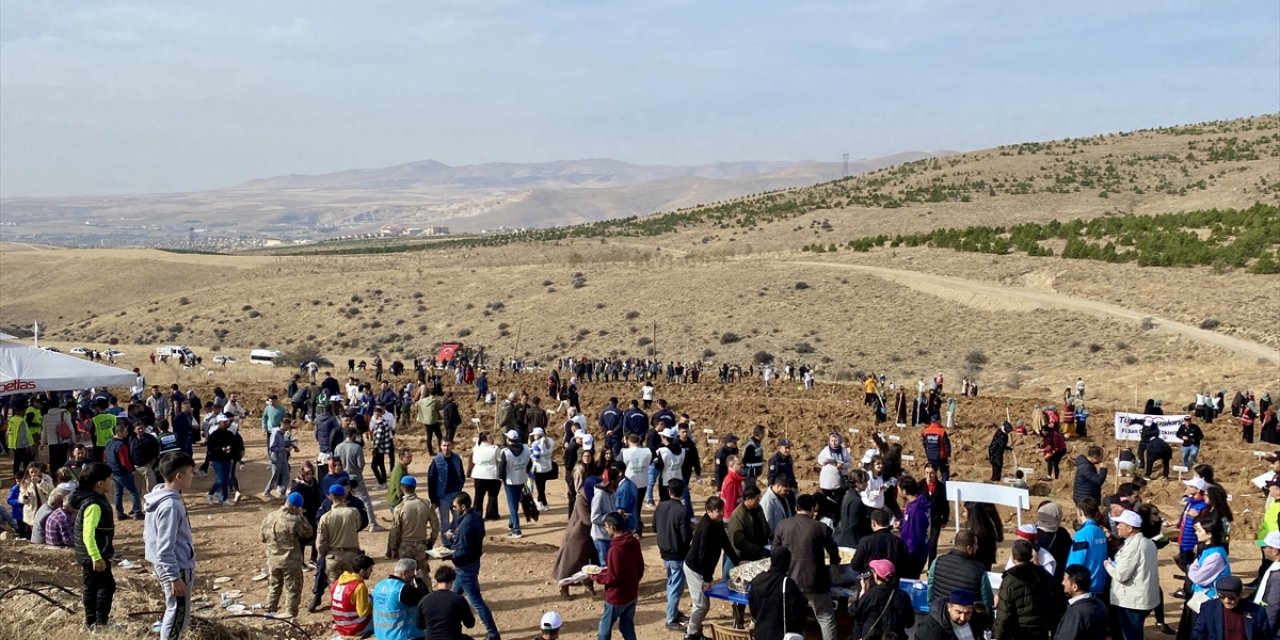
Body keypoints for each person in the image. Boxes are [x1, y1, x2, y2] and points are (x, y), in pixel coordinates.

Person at [143, 452, 198, 639]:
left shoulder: (159, 493)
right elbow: (165, 547)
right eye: (191, 471)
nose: (193, 475)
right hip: (177, 567)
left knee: (174, 610)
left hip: (166, 565)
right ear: (179, 476)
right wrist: (174, 577)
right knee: (177, 615)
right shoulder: (170, 506)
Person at [772, 493, 840, 640]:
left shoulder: (782, 525)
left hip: (790, 582)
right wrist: (834, 563)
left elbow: (775, 552)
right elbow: (834, 553)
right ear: (813, 508)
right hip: (816, 582)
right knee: (825, 619)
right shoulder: (821, 527)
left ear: (796, 508)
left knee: (795, 620)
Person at [444, 492, 500, 640]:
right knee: (452, 598)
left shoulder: (466, 525)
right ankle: (449, 628)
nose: (454, 510)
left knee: (477, 602)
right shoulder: (475, 516)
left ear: (463, 506)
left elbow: (462, 549)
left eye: (455, 507)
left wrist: (448, 554)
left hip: (465, 568)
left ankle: (493, 634)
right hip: (471, 563)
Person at [684, 495, 740, 640]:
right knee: (701, 605)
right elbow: (703, 556)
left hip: (702, 568)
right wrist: (707, 579)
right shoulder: (706, 527)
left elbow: (725, 542)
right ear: (709, 512)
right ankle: (690, 634)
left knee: (703, 604)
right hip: (695, 569)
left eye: (722, 510)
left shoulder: (717, 522)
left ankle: (695, 632)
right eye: (717, 510)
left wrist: (736, 561)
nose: (721, 513)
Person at [72, 462, 116, 631]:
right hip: (94, 556)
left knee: (91, 587)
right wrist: (96, 557)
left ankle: (90, 623)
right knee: (107, 586)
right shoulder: (94, 505)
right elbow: (88, 534)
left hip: (88, 555)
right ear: (100, 483)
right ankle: (100, 624)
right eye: (110, 479)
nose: (112, 482)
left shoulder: (92, 499)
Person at [1104, 509, 1160, 640]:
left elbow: (1121, 575)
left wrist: (1108, 565)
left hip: (1132, 601)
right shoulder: (1148, 542)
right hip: (1143, 598)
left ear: (1129, 528)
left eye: (1120, 524)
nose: (1117, 527)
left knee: (1131, 634)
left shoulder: (1134, 547)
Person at [1178, 513, 1232, 640]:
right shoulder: (1207, 550)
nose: (1196, 533)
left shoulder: (1216, 556)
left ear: (1210, 533)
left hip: (1208, 600)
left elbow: (1197, 577)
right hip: (1201, 598)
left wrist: (1191, 569)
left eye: (1199, 530)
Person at [260, 491, 314, 619]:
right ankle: (290, 614)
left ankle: (270, 609)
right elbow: (308, 532)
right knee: (293, 588)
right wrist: (301, 517)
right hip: (290, 560)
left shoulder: (270, 516)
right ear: (295, 507)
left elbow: (262, 537)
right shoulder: (294, 520)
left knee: (274, 585)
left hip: (273, 559)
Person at [312, 484, 363, 612]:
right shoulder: (353, 512)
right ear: (344, 496)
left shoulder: (325, 517)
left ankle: (338, 615)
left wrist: (325, 553)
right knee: (352, 586)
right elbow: (357, 526)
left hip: (333, 556)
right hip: (351, 555)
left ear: (331, 497)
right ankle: (352, 612)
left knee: (335, 588)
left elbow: (320, 543)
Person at [592, 512, 643, 640]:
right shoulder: (633, 542)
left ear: (612, 528)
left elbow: (613, 577)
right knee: (627, 626)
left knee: (604, 629)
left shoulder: (615, 550)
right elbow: (640, 567)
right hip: (632, 593)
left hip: (616, 597)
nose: (605, 529)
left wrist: (595, 576)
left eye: (606, 527)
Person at [994, 539, 1057, 640]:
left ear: (1013, 558)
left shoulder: (1009, 581)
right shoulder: (1046, 576)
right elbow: (1055, 607)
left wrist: (998, 636)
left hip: (1019, 634)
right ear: (1031, 556)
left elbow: (1003, 616)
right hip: (1041, 633)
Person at [726, 483, 769, 628]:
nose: (758, 501)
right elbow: (739, 541)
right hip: (743, 559)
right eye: (756, 499)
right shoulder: (738, 516)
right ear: (748, 499)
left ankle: (755, 618)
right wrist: (758, 549)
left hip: (758, 556)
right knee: (741, 593)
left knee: (756, 591)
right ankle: (738, 621)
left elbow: (765, 526)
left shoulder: (758, 509)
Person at [653, 479, 692, 631]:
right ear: (682, 493)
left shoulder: (661, 506)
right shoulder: (682, 511)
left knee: (671, 583)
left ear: (669, 492)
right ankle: (670, 619)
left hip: (664, 553)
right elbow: (685, 537)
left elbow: (655, 527)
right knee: (676, 586)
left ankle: (673, 612)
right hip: (678, 555)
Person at [387, 476, 438, 585]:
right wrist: (430, 543)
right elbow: (435, 526)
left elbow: (395, 530)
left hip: (405, 546)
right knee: (423, 574)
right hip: (421, 545)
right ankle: (426, 595)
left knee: (404, 575)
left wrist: (393, 547)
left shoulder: (400, 507)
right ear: (414, 488)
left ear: (402, 488)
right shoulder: (426, 504)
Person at [928, 530, 994, 611]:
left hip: (940, 614)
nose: (977, 547)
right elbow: (987, 601)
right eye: (976, 544)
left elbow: (930, 590)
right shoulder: (979, 571)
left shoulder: (937, 561)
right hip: (967, 619)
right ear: (969, 548)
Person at [849, 558, 914, 640]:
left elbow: (853, 611)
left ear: (876, 575)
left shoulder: (871, 595)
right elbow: (909, 623)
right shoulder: (903, 596)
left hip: (872, 637)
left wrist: (862, 595)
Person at [1191, 575, 1273, 640]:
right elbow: (1197, 634)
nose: (1226, 601)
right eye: (1222, 597)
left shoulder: (1257, 612)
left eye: (1231, 597)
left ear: (1240, 594)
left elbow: (1265, 636)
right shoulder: (1209, 608)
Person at [370, 558, 429, 640]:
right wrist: (419, 580)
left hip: (381, 635)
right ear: (404, 573)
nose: (414, 576)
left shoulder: (379, 585)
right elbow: (426, 600)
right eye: (413, 572)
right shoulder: (403, 589)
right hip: (403, 636)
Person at [415, 565, 473, 640]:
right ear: (452, 581)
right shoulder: (459, 599)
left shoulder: (424, 600)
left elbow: (420, 626)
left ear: (437, 581)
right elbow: (470, 624)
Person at [1054, 564, 1109, 640]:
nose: (1062, 583)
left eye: (1065, 580)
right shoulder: (1100, 605)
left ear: (1074, 587)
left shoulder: (1076, 614)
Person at [1067, 498, 1108, 596]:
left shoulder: (1082, 535)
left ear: (1081, 512)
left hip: (1085, 587)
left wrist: (1068, 580)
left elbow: (1075, 563)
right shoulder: (1101, 532)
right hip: (1100, 584)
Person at [915, 589, 993, 640]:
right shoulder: (930, 630)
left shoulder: (977, 619)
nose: (962, 618)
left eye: (967, 613)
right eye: (958, 612)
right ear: (949, 607)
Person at [331, 554, 375, 639]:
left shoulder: (338, 582)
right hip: (355, 628)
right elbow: (363, 612)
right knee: (383, 622)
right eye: (370, 569)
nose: (371, 572)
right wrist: (373, 603)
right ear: (362, 571)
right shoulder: (359, 586)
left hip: (340, 626)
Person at [104, 424, 141, 519]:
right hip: (123, 472)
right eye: (125, 431)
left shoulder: (108, 443)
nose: (126, 433)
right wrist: (131, 470)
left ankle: (119, 514)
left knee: (118, 493)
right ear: (119, 432)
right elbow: (124, 461)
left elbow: (105, 458)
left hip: (113, 472)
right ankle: (137, 512)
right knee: (134, 492)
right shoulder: (121, 445)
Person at [427, 441, 465, 532]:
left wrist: (460, 485)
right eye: (444, 445)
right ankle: (446, 543)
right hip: (443, 496)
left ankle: (451, 535)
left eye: (448, 445)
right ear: (440, 446)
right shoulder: (436, 461)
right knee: (445, 522)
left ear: (452, 446)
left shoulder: (457, 459)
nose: (446, 448)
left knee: (458, 518)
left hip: (456, 494)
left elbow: (462, 475)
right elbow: (431, 480)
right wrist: (433, 498)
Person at [264, 417, 299, 498]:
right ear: (283, 424)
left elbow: (283, 442)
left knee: (286, 475)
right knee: (275, 476)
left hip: (283, 457)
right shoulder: (276, 433)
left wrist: (292, 442)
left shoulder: (282, 433)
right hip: (276, 458)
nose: (288, 427)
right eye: (287, 425)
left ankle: (282, 493)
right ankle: (267, 491)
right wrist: (283, 449)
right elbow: (272, 447)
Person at [1255, 531, 1280, 630]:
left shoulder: (1278, 575)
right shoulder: (1275, 565)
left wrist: (1265, 630)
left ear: (1275, 551)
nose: (1263, 549)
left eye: (1265, 547)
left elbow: (1274, 606)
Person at [921, 415, 952, 481]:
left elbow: (924, 444)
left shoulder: (925, 431)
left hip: (930, 456)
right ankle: (944, 488)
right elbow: (947, 445)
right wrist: (948, 455)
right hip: (941, 457)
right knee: (944, 472)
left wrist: (927, 453)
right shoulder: (941, 431)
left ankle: (933, 487)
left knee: (932, 473)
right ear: (938, 421)